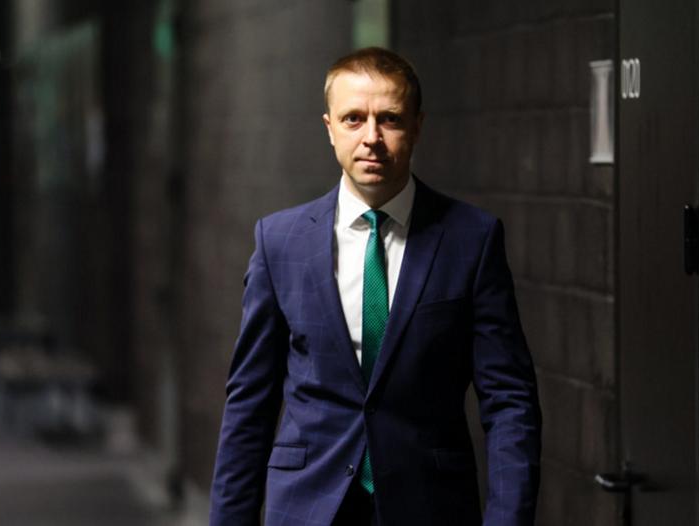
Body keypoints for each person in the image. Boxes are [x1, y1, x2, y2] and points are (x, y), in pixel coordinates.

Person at [209, 47, 541, 526]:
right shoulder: (279, 241)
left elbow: (509, 400)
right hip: (307, 507)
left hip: (430, 508)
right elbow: (249, 404)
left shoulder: (471, 239)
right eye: (353, 119)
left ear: (417, 126)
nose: (371, 138)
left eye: (389, 119)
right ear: (329, 128)